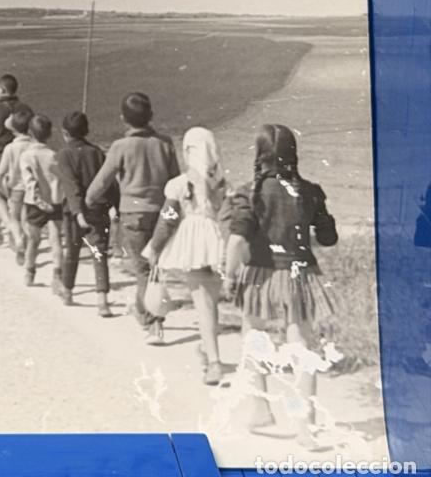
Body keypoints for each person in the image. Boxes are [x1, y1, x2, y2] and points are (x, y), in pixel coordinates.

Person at [223, 124, 338, 447]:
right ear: (293, 154)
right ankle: (306, 427)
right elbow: (328, 238)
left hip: (260, 273)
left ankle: (261, 408)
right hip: (299, 273)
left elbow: (235, 242)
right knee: (303, 345)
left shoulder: (249, 193)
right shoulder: (311, 191)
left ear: (259, 155)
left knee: (253, 335)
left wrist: (229, 276)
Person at [85, 91, 179, 344]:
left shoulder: (120, 147)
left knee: (142, 271)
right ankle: (147, 314)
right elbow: (175, 181)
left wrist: (88, 199)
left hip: (133, 214)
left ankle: (152, 323)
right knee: (154, 268)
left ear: (123, 119)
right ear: (151, 116)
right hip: (161, 213)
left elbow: (103, 180)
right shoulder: (165, 143)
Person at [144, 127, 229, 384]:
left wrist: (154, 247)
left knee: (203, 304)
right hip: (217, 245)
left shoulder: (180, 185)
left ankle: (214, 362)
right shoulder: (224, 185)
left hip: (193, 247)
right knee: (210, 303)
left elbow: (168, 220)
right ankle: (208, 349)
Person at [57, 111, 116, 316]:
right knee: (99, 253)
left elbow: (71, 186)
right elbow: (109, 182)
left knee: (71, 252)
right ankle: (102, 300)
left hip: (74, 214)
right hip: (98, 209)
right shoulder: (97, 152)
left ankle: (67, 291)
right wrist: (115, 205)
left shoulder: (64, 155)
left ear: (65, 133)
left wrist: (78, 213)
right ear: (86, 131)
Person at [0, 74, 34, 245]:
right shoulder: (25, 108)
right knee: (21, 193)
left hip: (2, 153)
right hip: (26, 151)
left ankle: (12, 228)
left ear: (2, 90)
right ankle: (20, 229)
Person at [19, 114, 63, 289]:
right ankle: (57, 275)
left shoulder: (27, 155)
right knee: (56, 239)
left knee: (34, 239)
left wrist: (38, 200)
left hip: (34, 203)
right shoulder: (54, 155)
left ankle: (30, 271)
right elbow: (60, 180)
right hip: (54, 201)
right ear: (50, 134)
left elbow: (29, 182)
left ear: (30, 133)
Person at [0, 109, 34, 264]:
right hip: (32, 190)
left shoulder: (10, 148)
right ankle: (28, 243)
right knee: (26, 219)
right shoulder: (34, 146)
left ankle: (18, 240)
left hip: (15, 188)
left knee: (14, 217)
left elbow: (1, 171)